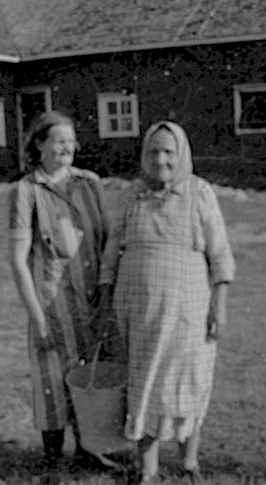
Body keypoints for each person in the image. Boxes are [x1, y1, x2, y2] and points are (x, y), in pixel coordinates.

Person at [97, 121, 235, 485]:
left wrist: (219, 305)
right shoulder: (131, 194)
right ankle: (149, 469)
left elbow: (220, 254)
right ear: (144, 155)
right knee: (145, 381)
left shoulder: (200, 192)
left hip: (187, 305)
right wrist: (106, 294)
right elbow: (112, 249)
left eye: (169, 152)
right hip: (138, 307)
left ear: (182, 154)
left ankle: (189, 463)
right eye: (154, 152)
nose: (161, 160)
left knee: (188, 380)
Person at [8, 111, 111, 468]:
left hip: (93, 302)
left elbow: (107, 244)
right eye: (58, 140)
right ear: (39, 145)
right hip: (52, 306)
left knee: (92, 377)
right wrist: (37, 319)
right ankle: (53, 462)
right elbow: (19, 262)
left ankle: (89, 452)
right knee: (51, 383)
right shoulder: (26, 191)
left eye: (70, 141)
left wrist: (106, 297)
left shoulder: (90, 183)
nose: (66, 147)